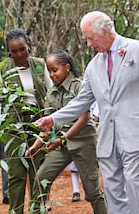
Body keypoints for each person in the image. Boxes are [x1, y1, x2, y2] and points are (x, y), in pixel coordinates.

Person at [35, 11, 139, 214]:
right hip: (107, 138)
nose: (89, 44)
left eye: (90, 38)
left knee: (137, 186)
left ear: (105, 31)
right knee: (113, 190)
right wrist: (53, 118)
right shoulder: (93, 66)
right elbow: (81, 101)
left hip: (136, 133)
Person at [26, 49, 107, 214]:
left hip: (83, 142)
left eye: (55, 70)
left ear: (67, 67)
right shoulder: (51, 92)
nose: (51, 75)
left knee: (92, 191)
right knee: (40, 179)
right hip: (61, 145)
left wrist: (60, 139)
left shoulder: (79, 86)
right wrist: (35, 146)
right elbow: (47, 126)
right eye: (49, 71)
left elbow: (83, 119)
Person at [0, 28, 52, 214]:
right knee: (16, 174)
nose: (18, 54)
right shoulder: (2, 70)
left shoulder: (41, 66)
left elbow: (51, 94)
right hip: (13, 127)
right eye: (14, 51)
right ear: (8, 52)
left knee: (39, 172)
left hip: (39, 125)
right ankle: (15, 211)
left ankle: (38, 210)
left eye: (22, 49)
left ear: (29, 47)